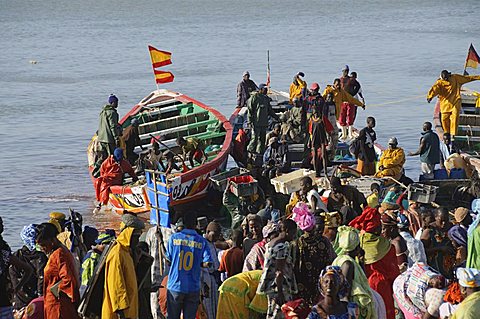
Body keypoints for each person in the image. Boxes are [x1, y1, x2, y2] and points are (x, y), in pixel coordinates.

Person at [349, 207, 400, 319]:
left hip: (362, 287)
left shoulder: (357, 242)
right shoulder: (386, 246)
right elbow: (393, 273)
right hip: (381, 287)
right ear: (377, 228)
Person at [165, 212, 212, 319]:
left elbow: (168, 260)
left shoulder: (174, 238)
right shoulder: (202, 241)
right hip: (193, 287)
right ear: (196, 225)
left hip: (175, 286)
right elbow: (207, 263)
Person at [102, 214, 144, 319]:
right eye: (136, 237)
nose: (138, 241)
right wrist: (121, 314)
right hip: (119, 314)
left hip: (130, 311)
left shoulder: (127, 253)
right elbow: (116, 287)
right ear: (128, 234)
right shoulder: (117, 253)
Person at [35, 222, 80, 319]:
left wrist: (54, 290)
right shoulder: (58, 251)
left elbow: (68, 280)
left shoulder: (59, 254)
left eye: (43, 245)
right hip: (54, 304)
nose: (42, 249)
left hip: (59, 307)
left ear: (51, 240)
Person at [332, 226, 376, 319]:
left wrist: (361, 262)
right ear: (356, 247)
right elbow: (344, 294)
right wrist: (350, 314)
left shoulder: (340, 259)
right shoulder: (348, 264)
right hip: (350, 308)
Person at [257, 219, 298, 319]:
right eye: (293, 233)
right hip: (279, 287)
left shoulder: (271, 243)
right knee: (279, 314)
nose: (294, 236)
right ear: (287, 230)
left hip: (271, 285)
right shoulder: (281, 247)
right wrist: (280, 293)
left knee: (272, 313)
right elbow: (279, 272)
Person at [427, 70, 480, 145]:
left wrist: (478, 77)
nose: (446, 80)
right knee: (444, 119)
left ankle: (453, 137)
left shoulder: (455, 78)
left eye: (447, 78)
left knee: (454, 119)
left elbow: (468, 78)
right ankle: (447, 134)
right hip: (445, 104)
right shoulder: (439, 83)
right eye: (444, 79)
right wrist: (430, 97)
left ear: (449, 76)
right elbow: (434, 89)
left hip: (455, 102)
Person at [295, 212, 336, 306]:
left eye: (322, 227)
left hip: (315, 281)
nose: (320, 230)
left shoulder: (324, 241)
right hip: (309, 282)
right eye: (318, 227)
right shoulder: (298, 243)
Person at [0, 217, 34, 319]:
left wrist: (16, 289)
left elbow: (28, 269)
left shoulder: (4, 252)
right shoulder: (4, 252)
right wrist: (16, 289)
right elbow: (28, 269)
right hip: (4, 301)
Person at [9, 225, 47, 311]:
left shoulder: (15, 256)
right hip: (37, 301)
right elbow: (42, 279)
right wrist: (41, 297)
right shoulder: (41, 257)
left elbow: (12, 278)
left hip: (18, 301)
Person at [421, 207, 455, 279]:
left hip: (449, 267)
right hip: (435, 269)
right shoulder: (429, 231)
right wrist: (440, 249)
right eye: (441, 220)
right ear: (436, 217)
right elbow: (422, 252)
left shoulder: (451, 227)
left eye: (446, 220)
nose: (444, 223)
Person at [247, 83, 280, 154]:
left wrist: (277, 117)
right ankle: (250, 152)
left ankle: (260, 154)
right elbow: (250, 110)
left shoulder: (266, 99)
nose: (266, 90)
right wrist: (250, 121)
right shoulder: (254, 98)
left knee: (262, 140)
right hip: (256, 123)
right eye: (265, 89)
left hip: (264, 123)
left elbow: (270, 110)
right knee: (254, 139)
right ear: (261, 89)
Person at [202, 222, 222, 319]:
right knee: (207, 307)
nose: (216, 238)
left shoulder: (212, 243)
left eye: (217, 236)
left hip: (213, 279)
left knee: (214, 307)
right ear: (208, 232)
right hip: (205, 279)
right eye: (214, 235)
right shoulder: (202, 243)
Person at [308, 104, 329, 177]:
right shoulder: (312, 120)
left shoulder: (322, 119)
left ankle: (325, 171)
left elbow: (328, 128)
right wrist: (309, 142)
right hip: (314, 138)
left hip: (322, 138)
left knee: (323, 155)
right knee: (315, 156)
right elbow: (310, 131)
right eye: (315, 112)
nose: (316, 113)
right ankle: (316, 172)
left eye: (317, 112)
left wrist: (329, 137)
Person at [97, 94, 120, 158]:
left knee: (102, 157)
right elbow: (113, 126)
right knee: (111, 156)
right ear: (112, 102)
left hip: (101, 138)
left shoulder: (103, 111)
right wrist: (116, 138)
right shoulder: (112, 113)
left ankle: (97, 167)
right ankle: (112, 167)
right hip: (108, 138)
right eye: (116, 102)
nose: (117, 104)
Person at [324, 93, 339, 161]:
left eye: (330, 97)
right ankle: (328, 157)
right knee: (329, 140)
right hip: (328, 123)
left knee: (335, 138)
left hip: (334, 122)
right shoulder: (325, 105)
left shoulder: (334, 104)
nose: (329, 98)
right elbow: (325, 116)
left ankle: (333, 156)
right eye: (328, 97)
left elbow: (336, 114)